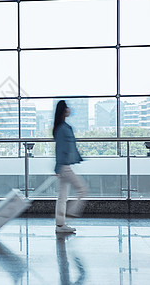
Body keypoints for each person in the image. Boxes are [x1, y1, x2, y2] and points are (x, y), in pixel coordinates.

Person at [53, 100, 88, 233]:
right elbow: (61, 149)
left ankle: (60, 225)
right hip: (64, 167)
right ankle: (71, 213)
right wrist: (58, 168)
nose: (69, 110)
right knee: (82, 189)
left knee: (62, 196)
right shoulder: (63, 128)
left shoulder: (62, 126)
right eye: (67, 107)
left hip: (64, 166)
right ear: (63, 110)